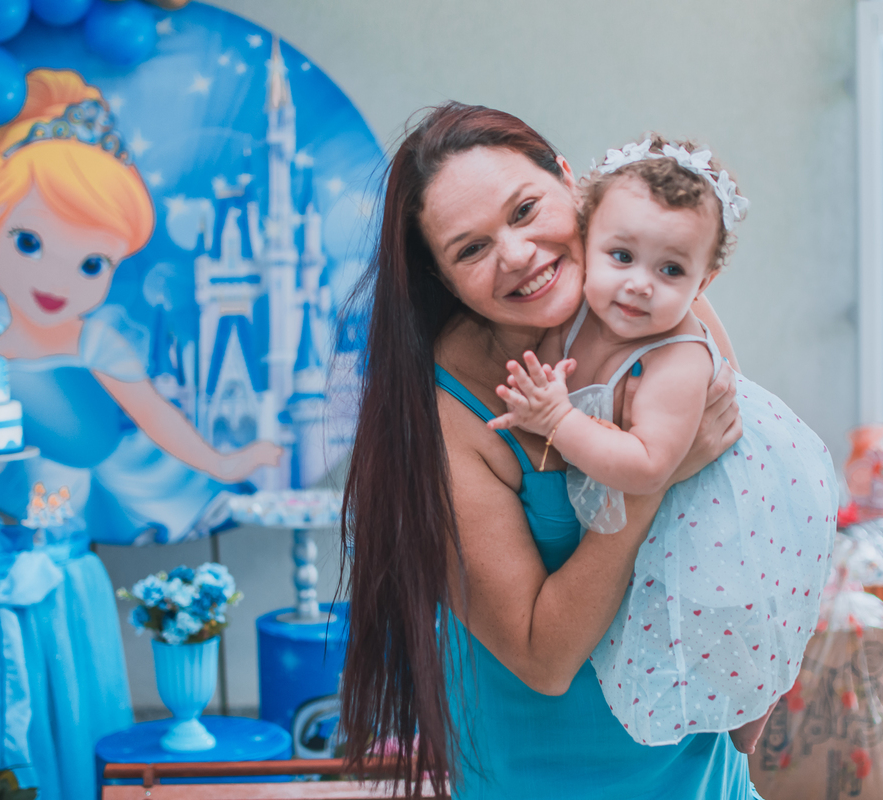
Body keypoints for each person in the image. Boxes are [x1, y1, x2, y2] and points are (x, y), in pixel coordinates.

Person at [340, 103, 760, 799]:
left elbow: (731, 490)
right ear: (444, 279)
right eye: (471, 249)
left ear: (572, 184)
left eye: (526, 209)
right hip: (542, 777)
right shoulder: (449, 413)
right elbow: (543, 657)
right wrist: (648, 478)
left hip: (700, 771)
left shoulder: (655, 303)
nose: (517, 254)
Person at [487, 136, 838, 753]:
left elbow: (648, 467)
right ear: (585, 240)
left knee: (734, 615)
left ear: (706, 278)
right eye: (621, 255)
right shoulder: (580, 311)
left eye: (671, 270)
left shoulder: (675, 357)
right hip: (658, 486)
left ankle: (749, 724)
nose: (640, 286)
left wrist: (556, 420)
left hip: (725, 506)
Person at [0, 68, 281, 543]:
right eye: (31, 242)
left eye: (92, 264)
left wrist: (221, 462)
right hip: (21, 495)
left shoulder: (99, 343)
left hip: (124, 483)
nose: (57, 280)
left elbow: (154, 414)